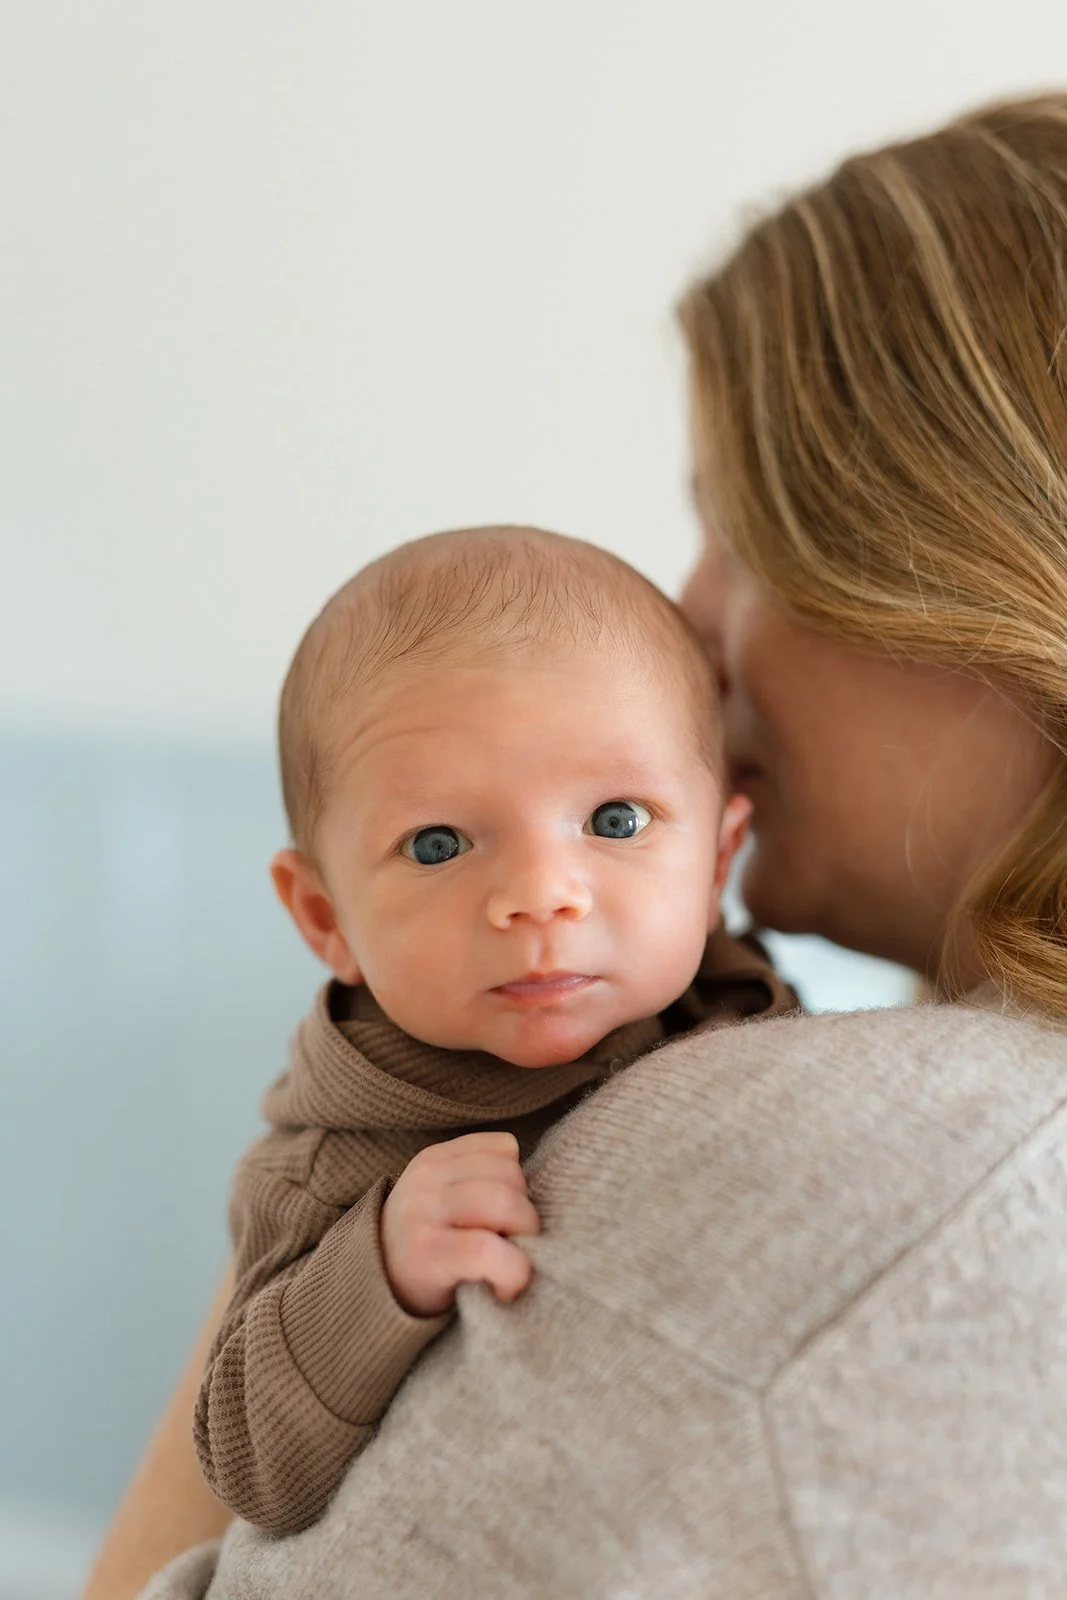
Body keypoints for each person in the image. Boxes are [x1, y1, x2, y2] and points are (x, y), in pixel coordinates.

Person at [85, 91, 1067, 1600]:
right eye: (437, 842)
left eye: (738, 528)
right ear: (316, 909)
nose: (685, 614)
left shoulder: (871, 1178)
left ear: (964, 561)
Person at [193, 526, 794, 1536]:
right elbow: (247, 1465)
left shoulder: (739, 1006)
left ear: (715, 863)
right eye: (438, 844)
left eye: (614, 820)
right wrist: (379, 1267)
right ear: (326, 918)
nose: (540, 895)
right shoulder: (328, 1166)